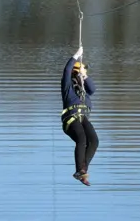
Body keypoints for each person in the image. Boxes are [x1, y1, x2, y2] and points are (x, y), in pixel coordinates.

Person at [60, 46, 98, 186]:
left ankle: (83, 171)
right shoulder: (68, 89)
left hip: (83, 118)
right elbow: (66, 71)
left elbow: (93, 89)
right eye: (79, 73)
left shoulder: (85, 91)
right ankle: (79, 170)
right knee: (81, 139)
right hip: (71, 120)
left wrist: (85, 76)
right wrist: (75, 56)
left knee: (94, 141)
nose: (81, 75)